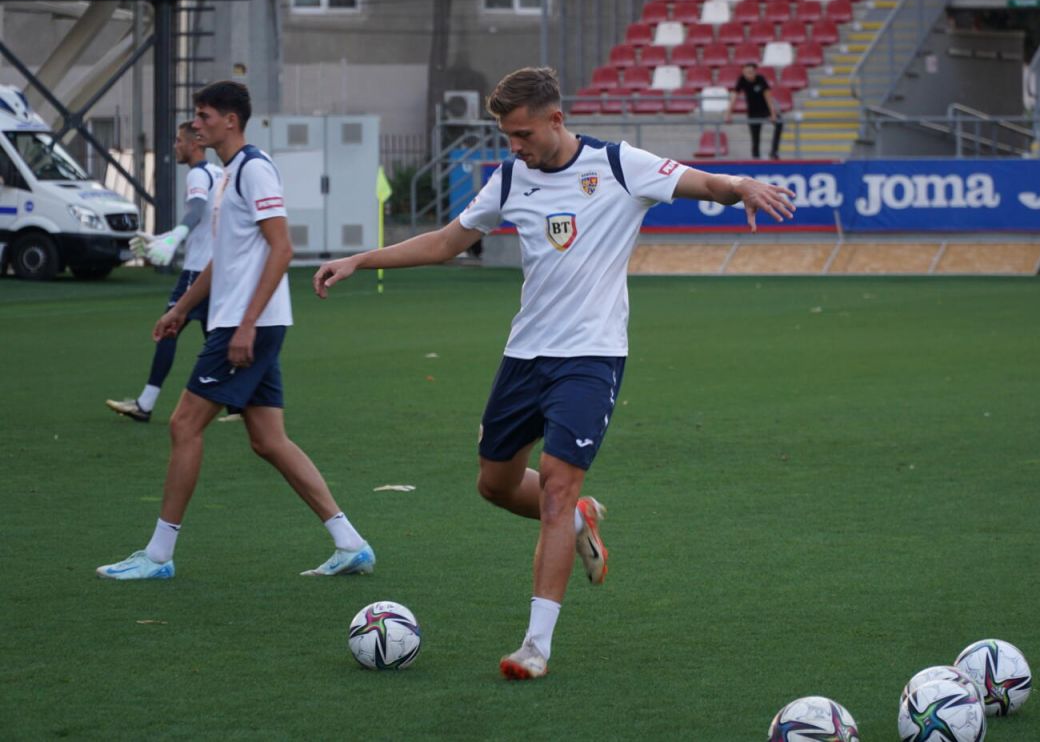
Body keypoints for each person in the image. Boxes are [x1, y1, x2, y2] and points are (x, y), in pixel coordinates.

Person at [312, 66, 794, 679]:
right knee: (494, 484)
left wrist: (741, 186)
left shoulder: (620, 166)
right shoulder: (512, 176)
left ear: (556, 120)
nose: (514, 146)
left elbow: (703, 182)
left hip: (591, 357)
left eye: (522, 134)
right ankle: (578, 519)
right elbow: (445, 242)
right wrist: (360, 258)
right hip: (524, 356)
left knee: (556, 490)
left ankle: (535, 646)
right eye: (507, 137)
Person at [97, 80, 374, 581]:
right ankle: (350, 543)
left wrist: (245, 326)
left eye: (203, 116)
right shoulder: (226, 175)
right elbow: (222, 260)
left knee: (183, 425)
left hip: (246, 327)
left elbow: (282, 248)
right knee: (268, 440)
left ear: (230, 120)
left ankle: (158, 556)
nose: (196, 124)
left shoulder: (254, 170)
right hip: (243, 323)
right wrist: (180, 309)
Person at [106, 122, 242, 423]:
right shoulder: (219, 173)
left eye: (179, 140)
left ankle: (145, 404)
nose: (175, 146)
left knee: (167, 330)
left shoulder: (197, 174)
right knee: (216, 334)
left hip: (198, 272)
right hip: (217, 269)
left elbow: (195, 211)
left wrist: (174, 237)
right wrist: (165, 237)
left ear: (195, 144)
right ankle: (238, 406)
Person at [727, 62, 783, 160]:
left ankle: (774, 151)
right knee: (755, 137)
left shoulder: (761, 79)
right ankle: (756, 158)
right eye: (746, 72)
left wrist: (772, 113)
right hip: (752, 112)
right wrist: (728, 113)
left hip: (765, 110)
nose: (749, 74)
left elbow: (768, 97)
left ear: (755, 72)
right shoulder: (741, 80)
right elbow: (734, 97)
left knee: (779, 122)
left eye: (751, 72)